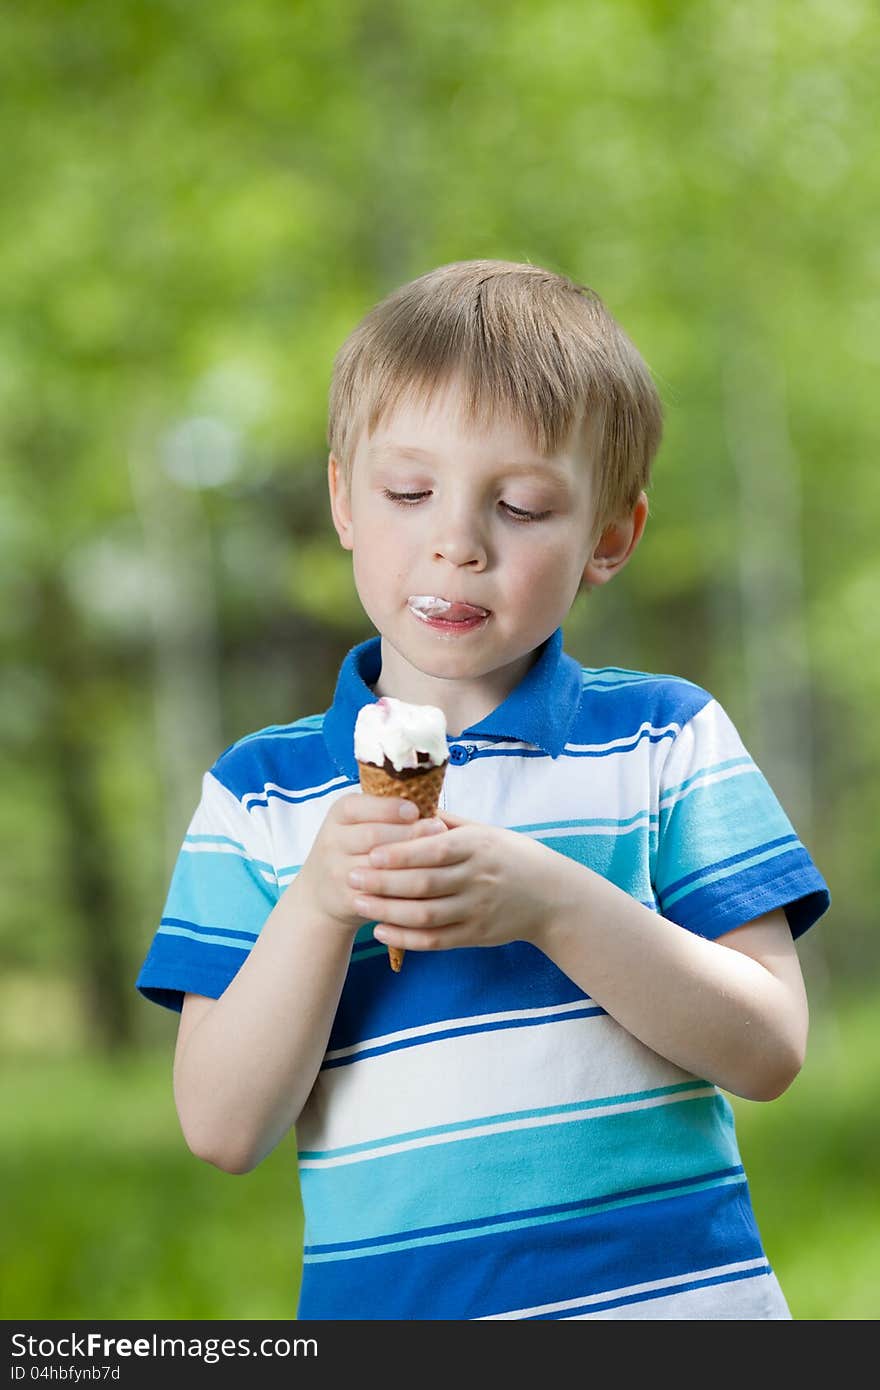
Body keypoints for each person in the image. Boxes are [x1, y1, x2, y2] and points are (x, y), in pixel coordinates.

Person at [135, 258, 830, 1320]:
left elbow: (768, 1047)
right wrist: (320, 902)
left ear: (609, 536)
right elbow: (223, 1129)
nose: (455, 541)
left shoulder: (664, 738)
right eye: (409, 492)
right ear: (343, 500)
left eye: (520, 505)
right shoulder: (258, 795)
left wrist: (555, 903)